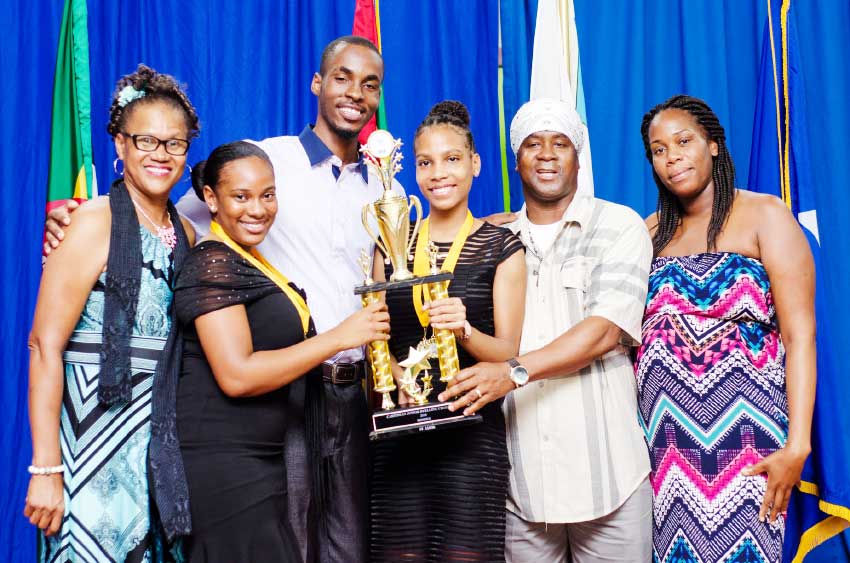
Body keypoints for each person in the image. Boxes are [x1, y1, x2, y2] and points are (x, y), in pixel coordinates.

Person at [440, 98, 654, 562]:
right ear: (516, 159)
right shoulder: (492, 241)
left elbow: (603, 332)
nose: (547, 154)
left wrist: (512, 372)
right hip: (522, 487)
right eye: (532, 144)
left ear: (578, 156)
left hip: (610, 479)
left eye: (561, 144)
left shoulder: (618, 226)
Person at [173, 141, 389, 561]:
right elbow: (236, 376)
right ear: (211, 199)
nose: (258, 209)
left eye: (267, 195)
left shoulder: (247, 260)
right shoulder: (212, 262)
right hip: (225, 463)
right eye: (241, 196)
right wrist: (338, 337)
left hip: (258, 456)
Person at [26, 64, 198, 561]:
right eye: (146, 140)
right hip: (89, 438)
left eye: (175, 143)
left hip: (156, 445)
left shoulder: (186, 233)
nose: (160, 154)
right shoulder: (90, 221)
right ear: (120, 145)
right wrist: (46, 468)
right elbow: (44, 345)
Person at [634, 94, 816, 563]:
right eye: (658, 149)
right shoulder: (649, 233)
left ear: (713, 145)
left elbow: (800, 335)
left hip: (746, 437)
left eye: (683, 141)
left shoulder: (764, 215)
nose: (671, 156)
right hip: (665, 446)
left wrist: (798, 444)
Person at [369, 101, 526, 563]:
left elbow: (508, 352)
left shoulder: (501, 246)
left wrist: (464, 330)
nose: (439, 173)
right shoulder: (388, 242)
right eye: (425, 162)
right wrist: (392, 372)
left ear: (475, 164)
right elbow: (374, 334)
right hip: (399, 432)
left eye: (452, 159)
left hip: (470, 432)